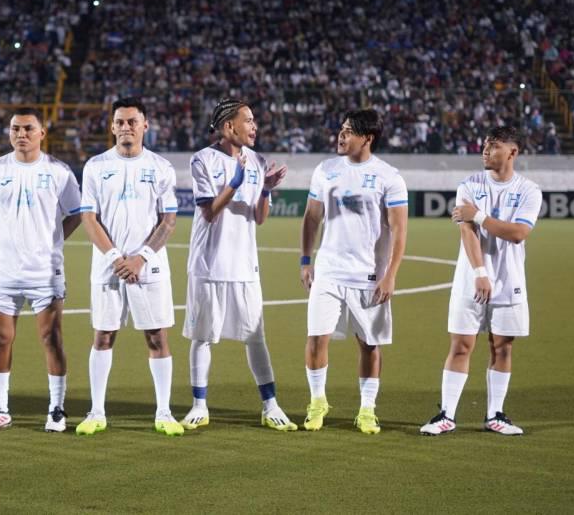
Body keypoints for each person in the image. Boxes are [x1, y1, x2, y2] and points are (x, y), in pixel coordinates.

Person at [420, 125, 542, 437]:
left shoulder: (529, 190)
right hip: (471, 279)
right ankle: (446, 414)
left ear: (512, 152)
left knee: (502, 347)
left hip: (510, 279)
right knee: (461, 345)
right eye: (485, 145)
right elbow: (467, 233)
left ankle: (495, 415)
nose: (485, 151)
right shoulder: (470, 185)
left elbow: (518, 234)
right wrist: (480, 273)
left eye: (494, 146)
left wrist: (477, 215)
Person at [183, 98, 295, 432]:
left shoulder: (258, 161)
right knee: (202, 336)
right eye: (248, 120)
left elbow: (259, 218)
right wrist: (236, 180)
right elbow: (208, 210)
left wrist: (265, 190)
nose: (254, 126)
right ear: (229, 126)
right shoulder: (202, 159)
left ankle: (270, 405)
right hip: (208, 264)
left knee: (255, 336)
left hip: (245, 265)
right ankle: (199, 406)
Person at [74, 99, 184, 437]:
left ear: (145, 125)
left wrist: (141, 257)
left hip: (148, 267)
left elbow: (168, 221)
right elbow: (88, 218)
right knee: (104, 335)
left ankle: (164, 413)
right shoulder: (95, 166)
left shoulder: (162, 167)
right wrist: (115, 258)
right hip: (109, 267)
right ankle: (96, 412)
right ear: (112, 127)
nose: (126, 127)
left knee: (156, 336)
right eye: (120, 122)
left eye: (132, 122)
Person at [299, 110, 408, 434]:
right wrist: (306, 260)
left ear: (368, 138)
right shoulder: (325, 170)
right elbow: (311, 218)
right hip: (329, 271)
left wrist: (390, 274)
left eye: (348, 131)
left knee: (370, 345)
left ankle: (367, 409)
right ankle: (317, 402)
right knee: (317, 338)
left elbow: (399, 230)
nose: (341, 136)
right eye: (341, 129)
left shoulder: (389, 176)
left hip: (368, 275)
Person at [0, 107, 81, 433]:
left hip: (44, 273)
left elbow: (75, 214)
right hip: (5, 271)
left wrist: (47, 243)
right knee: (0, 339)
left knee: (52, 338)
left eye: (28, 128)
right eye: (15, 129)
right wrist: (11, 242)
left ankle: (57, 409)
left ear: (42, 133)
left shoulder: (59, 172)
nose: (21, 134)